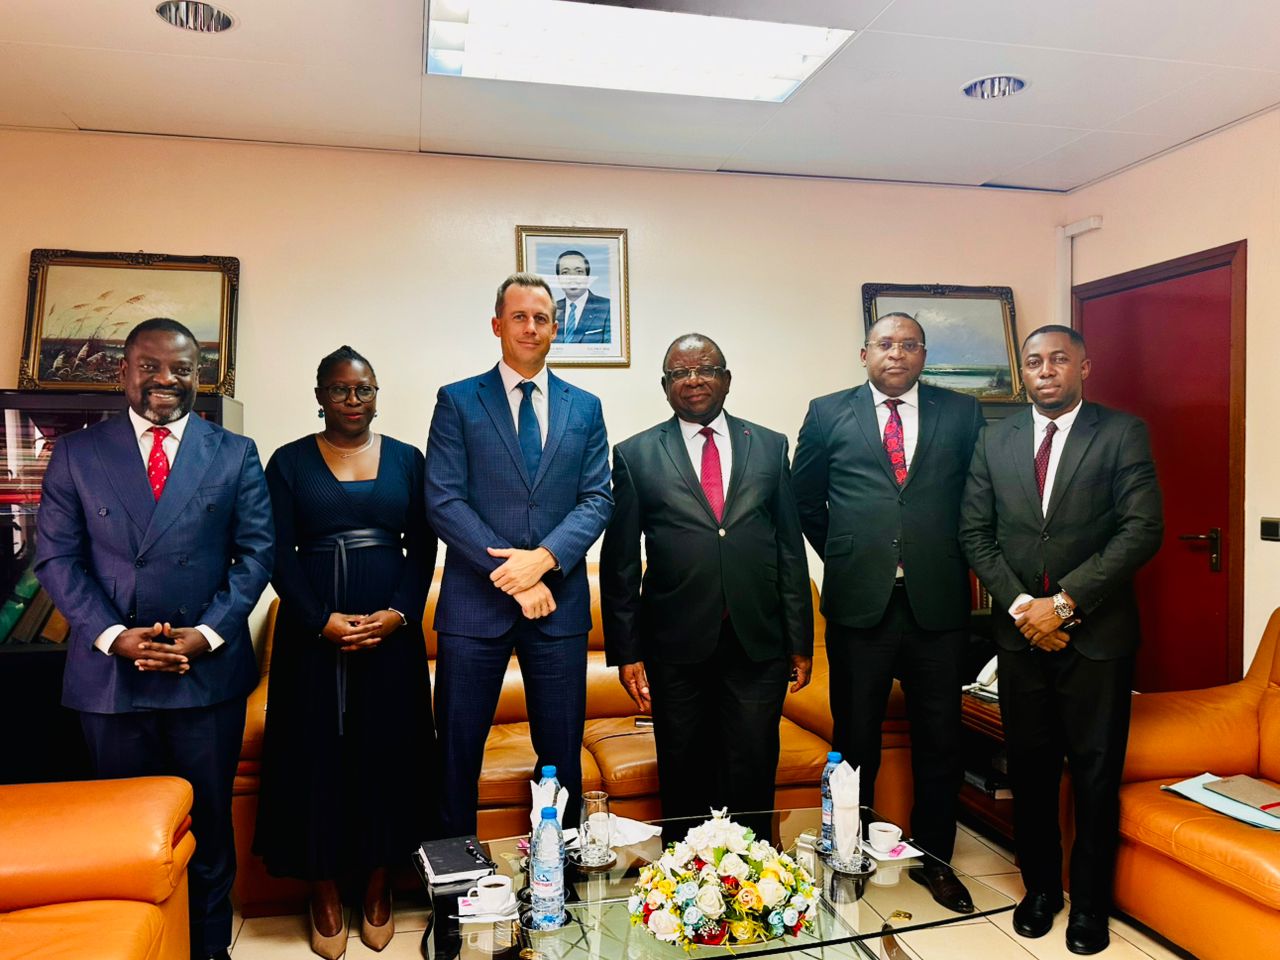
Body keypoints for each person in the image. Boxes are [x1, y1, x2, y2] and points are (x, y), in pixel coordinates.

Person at [34, 317, 274, 960]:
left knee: (208, 828)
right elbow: (56, 558)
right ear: (124, 372)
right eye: (150, 366)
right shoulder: (79, 452)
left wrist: (207, 633)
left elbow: (257, 554)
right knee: (125, 832)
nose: (166, 379)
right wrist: (115, 636)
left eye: (182, 369)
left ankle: (209, 950)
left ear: (200, 377)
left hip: (205, 675)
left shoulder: (234, 452)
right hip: (112, 677)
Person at [959, 325, 1162, 955]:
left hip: (1097, 639)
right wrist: (1028, 611)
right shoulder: (995, 439)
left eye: (1058, 360)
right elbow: (974, 532)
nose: (1045, 371)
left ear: (1084, 367)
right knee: (1031, 772)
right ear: (1023, 373)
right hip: (1022, 637)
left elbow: (1141, 529)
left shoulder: (1121, 433)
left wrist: (1065, 607)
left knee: (1097, 777)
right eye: (1033, 362)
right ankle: (1041, 891)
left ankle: (1091, 905)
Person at [792, 312, 984, 913]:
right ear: (864, 353)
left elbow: (979, 496)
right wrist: (849, 554)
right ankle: (847, 855)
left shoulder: (962, 413)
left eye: (908, 345)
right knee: (854, 742)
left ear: (924, 355)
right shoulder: (827, 412)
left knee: (940, 740)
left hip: (939, 601)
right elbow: (804, 499)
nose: (896, 353)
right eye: (884, 344)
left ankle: (936, 860)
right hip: (859, 602)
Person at [253, 346, 437, 957]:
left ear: (377, 395)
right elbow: (274, 550)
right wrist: (318, 620)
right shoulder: (287, 462)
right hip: (314, 637)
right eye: (339, 389)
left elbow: (425, 547)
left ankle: (379, 887)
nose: (352, 400)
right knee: (316, 759)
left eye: (363, 389)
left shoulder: (408, 460)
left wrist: (399, 614)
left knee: (387, 755)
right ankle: (325, 891)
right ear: (319, 396)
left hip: (391, 634)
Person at [600, 333, 813, 840]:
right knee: (683, 768)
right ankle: (684, 877)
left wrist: (800, 641)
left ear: (726, 379)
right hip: (675, 645)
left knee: (753, 764)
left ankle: (756, 874)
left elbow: (789, 548)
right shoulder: (635, 455)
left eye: (706, 369)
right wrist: (628, 653)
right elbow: (620, 563)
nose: (693, 380)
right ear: (665, 386)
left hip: (757, 641)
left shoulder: (769, 445)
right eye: (680, 373)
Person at [426, 272, 612, 835]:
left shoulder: (585, 407)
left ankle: (559, 869)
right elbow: (443, 500)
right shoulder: (458, 400)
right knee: (456, 752)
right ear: (497, 325)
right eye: (519, 317)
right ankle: (456, 875)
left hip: (558, 608)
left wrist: (545, 559)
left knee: (560, 756)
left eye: (541, 318)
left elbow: (598, 498)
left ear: (555, 329)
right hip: (474, 608)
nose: (531, 327)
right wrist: (516, 575)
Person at [553, 249, 611, 344]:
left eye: (579, 272)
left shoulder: (607, 307)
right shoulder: (552, 309)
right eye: (565, 272)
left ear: (588, 277)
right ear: (558, 279)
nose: (572, 278)